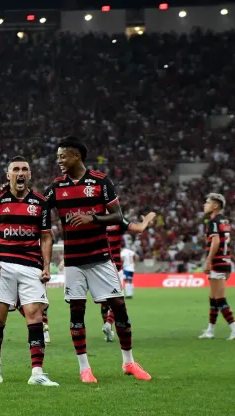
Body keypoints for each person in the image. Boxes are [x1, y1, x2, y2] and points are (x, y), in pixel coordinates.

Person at [45, 135, 151, 383]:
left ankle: (129, 362)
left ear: (76, 156)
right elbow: (37, 208)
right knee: (76, 312)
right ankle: (85, 368)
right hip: (73, 261)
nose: (58, 160)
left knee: (119, 308)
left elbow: (117, 216)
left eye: (62, 156)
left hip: (101, 258)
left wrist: (92, 218)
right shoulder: (56, 187)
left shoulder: (101, 182)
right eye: (57, 156)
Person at [0, 156, 59, 386]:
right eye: (15, 169)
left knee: (35, 316)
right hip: (3, 266)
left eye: (24, 169)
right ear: (8, 175)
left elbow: (46, 237)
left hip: (31, 266)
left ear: (30, 174)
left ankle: (37, 373)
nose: (20, 173)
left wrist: (46, 266)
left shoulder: (40, 202)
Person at [100, 212, 156, 342]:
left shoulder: (96, 219)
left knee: (104, 301)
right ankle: (110, 324)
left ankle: (109, 329)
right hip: (115, 265)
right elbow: (140, 228)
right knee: (118, 299)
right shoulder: (118, 219)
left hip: (100, 265)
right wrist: (146, 220)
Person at [198, 193, 235, 341]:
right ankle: (210, 330)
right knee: (212, 297)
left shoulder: (213, 222)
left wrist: (208, 261)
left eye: (207, 202)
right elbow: (226, 243)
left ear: (215, 206)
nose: (205, 205)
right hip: (224, 261)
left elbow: (216, 242)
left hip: (217, 262)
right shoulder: (225, 221)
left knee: (219, 299)